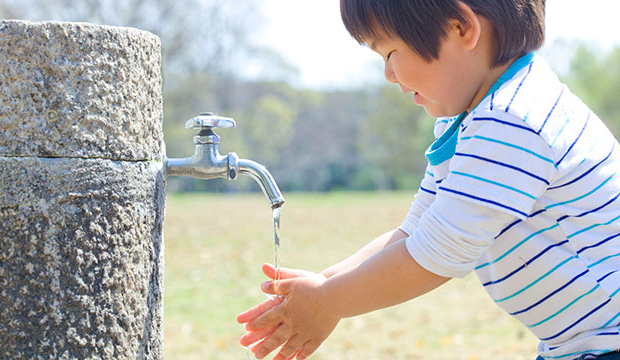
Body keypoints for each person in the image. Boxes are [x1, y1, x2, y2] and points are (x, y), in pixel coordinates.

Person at [237, 1, 620, 359]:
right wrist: (326, 284)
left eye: (389, 53)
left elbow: (436, 254)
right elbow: (415, 231)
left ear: (461, 28)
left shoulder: (513, 120)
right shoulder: (476, 120)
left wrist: (329, 300)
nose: (387, 74)